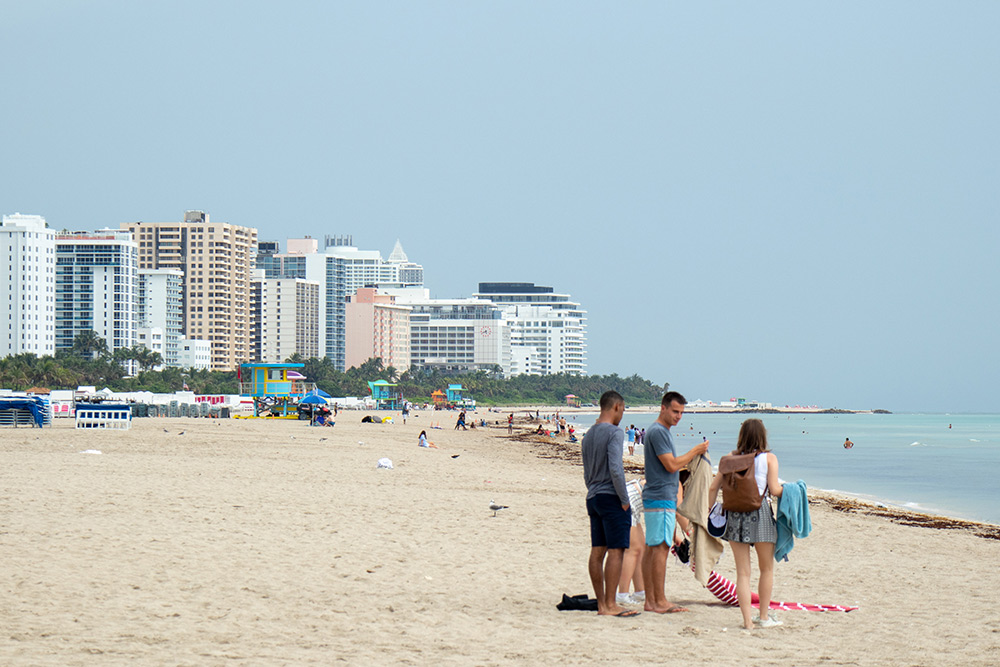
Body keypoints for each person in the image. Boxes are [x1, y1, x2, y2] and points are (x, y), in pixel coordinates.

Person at [708, 418, 784, 629]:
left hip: (734, 514)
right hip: (760, 514)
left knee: (743, 572)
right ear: (763, 436)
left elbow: (714, 488)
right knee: (766, 569)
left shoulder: (727, 459)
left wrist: (708, 512)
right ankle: (764, 617)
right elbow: (775, 490)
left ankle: (747, 622)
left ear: (741, 436)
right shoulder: (769, 459)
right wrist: (795, 492)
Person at [641, 392, 709, 614]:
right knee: (660, 548)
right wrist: (695, 452)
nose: (678, 416)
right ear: (663, 408)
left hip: (659, 496)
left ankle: (651, 600)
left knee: (653, 549)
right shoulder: (659, 431)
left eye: (681, 412)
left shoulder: (660, 431)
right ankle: (658, 601)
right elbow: (670, 465)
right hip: (660, 497)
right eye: (675, 411)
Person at [582, 390, 638, 617]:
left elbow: (587, 472)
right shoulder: (615, 432)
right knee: (616, 551)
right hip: (611, 496)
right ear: (616, 407)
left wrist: (592, 489)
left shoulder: (588, 434)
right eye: (623, 410)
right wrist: (625, 500)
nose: (622, 415)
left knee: (597, 552)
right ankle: (610, 604)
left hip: (593, 496)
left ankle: (602, 604)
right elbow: (616, 468)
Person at [617, 478, 646, 606]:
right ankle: (622, 594)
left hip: (631, 500)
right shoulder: (677, 484)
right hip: (629, 501)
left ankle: (640, 591)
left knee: (640, 548)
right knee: (632, 550)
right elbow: (676, 513)